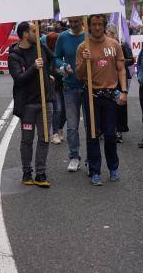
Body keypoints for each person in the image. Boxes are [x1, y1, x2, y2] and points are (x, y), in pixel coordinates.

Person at [75, 14, 128, 186]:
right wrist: (85, 60)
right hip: (91, 95)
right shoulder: (83, 46)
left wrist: (124, 91)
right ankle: (95, 170)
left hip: (111, 95)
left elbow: (121, 70)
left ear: (104, 25)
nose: (97, 27)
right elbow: (79, 75)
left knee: (111, 135)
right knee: (92, 135)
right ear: (89, 26)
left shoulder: (114, 45)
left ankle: (113, 167)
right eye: (94, 24)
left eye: (100, 24)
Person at [8, 21, 54, 187]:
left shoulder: (41, 47)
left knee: (45, 138)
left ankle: (40, 174)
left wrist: (50, 74)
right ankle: (27, 172)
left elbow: (52, 60)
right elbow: (19, 79)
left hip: (45, 101)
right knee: (27, 140)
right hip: (27, 105)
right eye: (34, 31)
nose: (38, 33)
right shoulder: (14, 55)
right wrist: (34, 67)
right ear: (25, 34)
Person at [54, 16, 87, 172]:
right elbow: (56, 58)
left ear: (81, 21)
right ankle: (74, 157)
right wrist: (63, 65)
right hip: (69, 87)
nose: (73, 24)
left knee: (90, 125)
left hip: (88, 86)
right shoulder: (63, 37)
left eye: (76, 21)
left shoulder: (89, 36)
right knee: (72, 126)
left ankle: (91, 158)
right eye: (71, 22)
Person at [106, 24, 135, 143]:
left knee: (120, 104)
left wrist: (120, 62)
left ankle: (119, 131)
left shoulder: (122, 45)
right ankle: (107, 129)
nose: (105, 36)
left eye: (107, 33)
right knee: (107, 103)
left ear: (113, 33)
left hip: (121, 78)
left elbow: (131, 59)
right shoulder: (104, 46)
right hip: (108, 78)